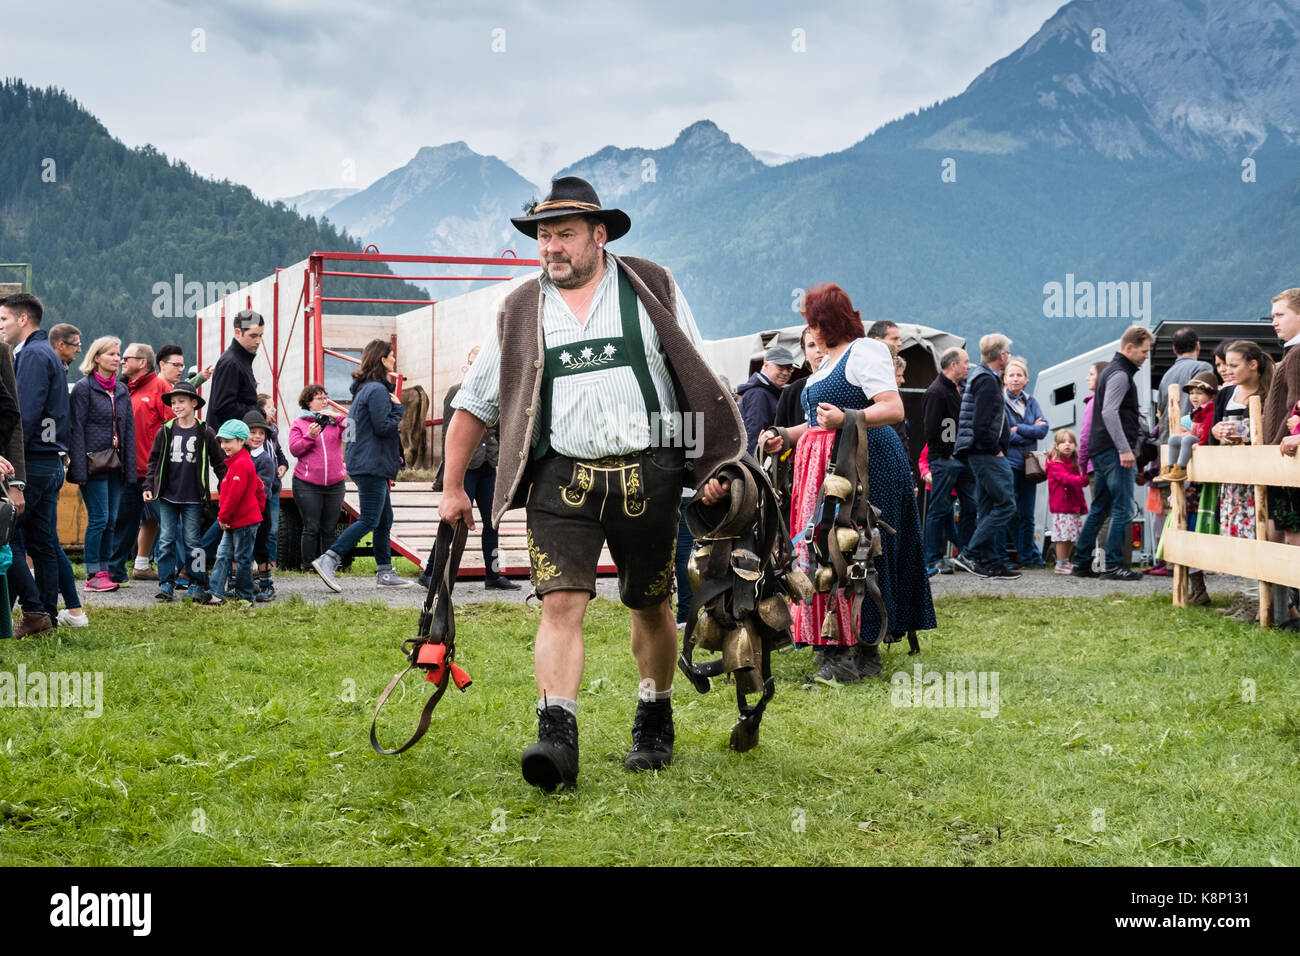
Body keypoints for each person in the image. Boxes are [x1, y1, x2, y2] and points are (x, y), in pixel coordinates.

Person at [439, 175, 742, 790]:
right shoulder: (522, 308)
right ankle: (557, 736)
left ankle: (654, 715)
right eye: (543, 235)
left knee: (650, 603)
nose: (551, 247)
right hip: (559, 478)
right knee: (559, 603)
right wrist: (451, 487)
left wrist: (709, 467)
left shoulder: (650, 286)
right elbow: (475, 404)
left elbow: (694, 378)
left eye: (565, 235)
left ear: (599, 236)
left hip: (648, 475)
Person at [763, 283, 935, 682]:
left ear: (825, 320)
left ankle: (855, 650)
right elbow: (815, 422)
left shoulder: (865, 351)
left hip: (864, 464)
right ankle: (846, 648)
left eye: (811, 320)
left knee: (855, 549)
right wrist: (783, 437)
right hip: (829, 467)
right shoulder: (827, 362)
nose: (810, 329)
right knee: (829, 549)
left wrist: (845, 419)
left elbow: (892, 408)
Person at [312, 338, 412, 591]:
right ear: (381, 359)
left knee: (384, 519)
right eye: (391, 356)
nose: (394, 360)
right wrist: (399, 411)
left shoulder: (364, 390)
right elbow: (383, 427)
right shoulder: (377, 391)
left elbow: (361, 429)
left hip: (367, 461)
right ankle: (329, 558)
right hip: (372, 464)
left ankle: (385, 572)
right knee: (369, 518)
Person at [1, 293, 70, 637]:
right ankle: (47, 616)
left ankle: (34, 611)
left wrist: (13, 471)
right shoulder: (48, 354)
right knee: (42, 543)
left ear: (23, 319)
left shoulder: (31, 355)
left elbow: (21, 416)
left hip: (31, 464)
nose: (0, 327)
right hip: (51, 460)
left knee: (8, 538)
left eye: (3, 320)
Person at [429, 347, 519, 590]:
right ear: (466, 365)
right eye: (471, 361)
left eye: (479, 361)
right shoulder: (456, 392)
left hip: (488, 466)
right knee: (452, 520)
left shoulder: (497, 393)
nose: (475, 366)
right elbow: (450, 432)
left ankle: (493, 575)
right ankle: (430, 572)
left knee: (493, 522)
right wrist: (450, 470)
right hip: (466, 467)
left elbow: (497, 431)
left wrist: (497, 455)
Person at [1071, 326, 1154, 581]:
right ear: (1129, 348)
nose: (1146, 356)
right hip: (1114, 451)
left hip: (1100, 451)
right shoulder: (1120, 374)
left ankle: (1082, 562)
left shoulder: (1110, 371)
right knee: (1122, 508)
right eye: (1144, 351)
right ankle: (1114, 565)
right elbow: (1109, 412)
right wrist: (1124, 448)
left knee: (1100, 508)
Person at [143, 381, 226, 602]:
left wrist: (226, 485)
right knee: (166, 539)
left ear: (193, 403)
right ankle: (166, 583)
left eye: (181, 401)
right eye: (173, 402)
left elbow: (219, 463)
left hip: (193, 497)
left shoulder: (205, 431)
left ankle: (196, 582)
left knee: (193, 542)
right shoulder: (166, 430)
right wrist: (149, 486)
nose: (177, 406)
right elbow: (153, 462)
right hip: (168, 496)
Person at [67, 337, 136, 593]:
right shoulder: (84, 388)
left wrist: (130, 468)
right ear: (97, 358)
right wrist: (79, 469)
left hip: (115, 464)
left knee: (112, 520)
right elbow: (77, 429)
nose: (117, 359)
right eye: (111, 354)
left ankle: (105, 571)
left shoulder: (120, 389)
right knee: (99, 519)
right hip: (92, 463)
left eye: (119, 354)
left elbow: (128, 430)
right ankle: (93, 574)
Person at [952, 333, 1020, 579]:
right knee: (1006, 504)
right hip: (986, 453)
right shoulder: (987, 381)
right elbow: (981, 424)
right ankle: (969, 553)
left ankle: (989, 560)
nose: (1008, 357)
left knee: (988, 505)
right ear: (1001, 355)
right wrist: (995, 448)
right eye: (1008, 354)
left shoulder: (981, 377)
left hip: (979, 452)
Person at [108, 343, 172, 584]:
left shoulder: (161, 388)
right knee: (123, 522)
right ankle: (114, 572)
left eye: (127, 358)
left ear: (142, 362)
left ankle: (184, 573)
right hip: (128, 471)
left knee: (168, 522)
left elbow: (173, 428)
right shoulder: (124, 389)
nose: (122, 361)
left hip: (154, 474)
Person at [43, 324, 87, 625]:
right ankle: (64, 609)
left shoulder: (52, 368)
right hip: (53, 460)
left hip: (45, 461)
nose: (79, 348)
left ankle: (59, 610)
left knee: (38, 540)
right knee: (44, 540)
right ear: (60, 345)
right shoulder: (56, 369)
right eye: (75, 343)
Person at [921, 346, 975, 574]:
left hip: (962, 460)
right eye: (965, 362)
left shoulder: (956, 390)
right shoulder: (936, 392)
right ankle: (933, 558)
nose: (969, 366)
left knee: (971, 506)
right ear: (953, 365)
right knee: (939, 509)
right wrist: (946, 452)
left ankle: (964, 554)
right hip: (945, 460)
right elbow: (932, 429)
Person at [199, 420, 265, 607]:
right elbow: (258, 485)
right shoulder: (237, 462)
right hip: (235, 521)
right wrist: (257, 506)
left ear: (241, 441)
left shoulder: (241, 464)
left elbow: (233, 497)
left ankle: (246, 596)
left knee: (242, 558)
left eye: (228, 441)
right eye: (222, 441)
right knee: (223, 555)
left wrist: (223, 517)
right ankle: (216, 592)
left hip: (241, 522)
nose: (224, 446)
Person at [289, 383, 347, 569]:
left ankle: (327, 566)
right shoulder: (299, 423)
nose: (325, 401)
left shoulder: (334, 423)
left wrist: (339, 419)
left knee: (329, 528)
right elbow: (294, 450)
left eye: (326, 397)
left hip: (335, 484)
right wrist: (309, 437)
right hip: (307, 484)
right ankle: (308, 565)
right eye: (319, 398)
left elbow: (354, 435)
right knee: (311, 526)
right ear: (308, 402)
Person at [999, 356, 1049, 569]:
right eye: (1011, 375)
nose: (1016, 379)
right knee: (1008, 510)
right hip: (1008, 463)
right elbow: (1004, 435)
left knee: (1027, 514)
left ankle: (1028, 557)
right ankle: (1004, 556)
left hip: (1029, 465)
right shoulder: (1001, 401)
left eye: (1020, 375)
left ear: (1026, 379)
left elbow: (1043, 429)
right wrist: (1030, 431)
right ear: (1005, 379)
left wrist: (1019, 429)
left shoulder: (1032, 402)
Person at [251, 395, 287, 599]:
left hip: (268, 493)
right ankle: (242, 580)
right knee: (243, 545)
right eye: (270, 409)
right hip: (251, 502)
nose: (273, 412)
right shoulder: (246, 452)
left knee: (267, 534)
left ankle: (266, 579)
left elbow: (279, 454)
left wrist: (283, 465)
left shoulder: (272, 434)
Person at [208, 310, 263, 431]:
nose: (259, 341)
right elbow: (223, 407)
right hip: (227, 443)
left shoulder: (240, 360)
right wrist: (259, 414)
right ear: (238, 332)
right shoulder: (231, 363)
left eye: (261, 335)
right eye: (253, 336)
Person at [1157, 328, 1214, 444]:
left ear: (1174, 349)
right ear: (1198, 345)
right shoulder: (1203, 368)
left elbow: (1160, 412)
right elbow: (1207, 404)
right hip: (1190, 440)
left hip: (1167, 441)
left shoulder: (1166, 376)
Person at [737, 345, 794, 452]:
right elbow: (754, 435)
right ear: (765, 365)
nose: (786, 373)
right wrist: (754, 466)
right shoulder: (759, 394)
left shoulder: (769, 392)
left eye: (789, 368)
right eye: (780, 367)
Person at [1045, 429, 1087, 573]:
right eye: (1063, 442)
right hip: (1061, 507)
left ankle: (1066, 561)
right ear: (1056, 446)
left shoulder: (1074, 463)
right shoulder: (1055, 464)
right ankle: (1060, 563)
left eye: (1071, 442)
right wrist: (1084, 479)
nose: (1067, 444)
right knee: (1063, 536)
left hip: (1072, 506)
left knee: (1072, 536)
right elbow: (1066, 479)